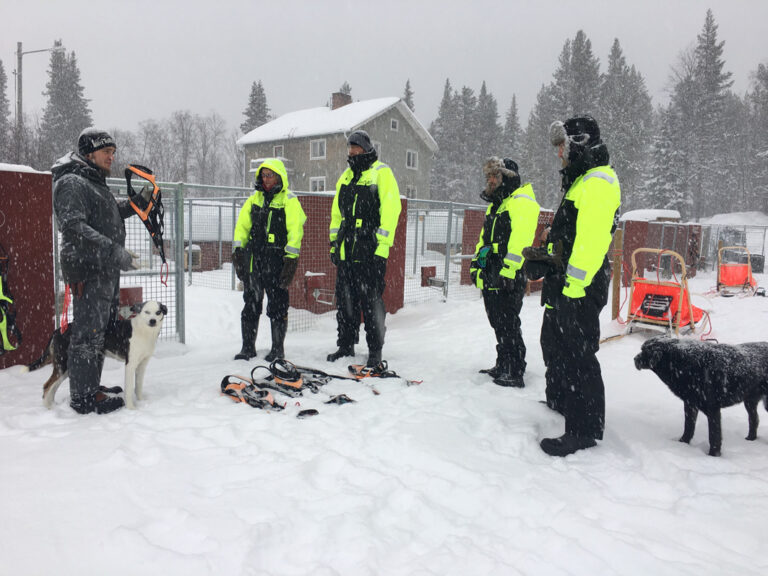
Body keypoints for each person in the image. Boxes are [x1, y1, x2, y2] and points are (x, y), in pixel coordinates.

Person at [527, 115, 621, 457]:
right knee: (559, 347)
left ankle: (583, 428)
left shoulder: (597, 181)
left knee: (579, 355)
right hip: (567, 282)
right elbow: (570, 236)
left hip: (580, 285)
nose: (558, 155)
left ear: (578, 143)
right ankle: (564, 401)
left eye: (562, 147)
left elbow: (592, 241)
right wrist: (547, 253)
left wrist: (573, 286)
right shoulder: (581, 180)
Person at [52, 127, 144, 414]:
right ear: (89, 153)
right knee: (88, 334)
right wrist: (116, 252)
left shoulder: (93, 182)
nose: (111, 158)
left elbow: (106, 215)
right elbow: (75, 228)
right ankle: (82, 397)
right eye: (106, 152)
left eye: (113, 153)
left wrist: (133, 205)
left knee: (100, 332)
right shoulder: (72, 183)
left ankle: (91, 387)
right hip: (88, 271)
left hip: (104, 271)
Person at [327, 130, 402, 367]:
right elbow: (337, 214)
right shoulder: (345, 177)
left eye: (357, 147)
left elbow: (391, 211)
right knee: (346, 301)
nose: (353, 151)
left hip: (370, 251)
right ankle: (346, 345)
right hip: (347, 251)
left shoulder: (382, 173)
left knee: (371, 303)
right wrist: (334, 244)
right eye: (350, 148)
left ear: (367, 148)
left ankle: (375, 351)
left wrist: (382, 250)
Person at [470, 157, 540, 387]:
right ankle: (503, 363)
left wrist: (508, 271)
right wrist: (477, 265)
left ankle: (515, 368)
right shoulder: (497, 205)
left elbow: (520, 241)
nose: (490, 180)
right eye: (489, 176)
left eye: (495, 176)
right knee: (497, 320)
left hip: (509, 274)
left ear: (507, 178)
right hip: (493, 270)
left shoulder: (521, 202)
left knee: (508, 321)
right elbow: (484, 242)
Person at [232, 158, 306, 362]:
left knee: (278, 305)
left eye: (269, 175)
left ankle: (277, 349)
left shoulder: (289, 200)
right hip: (254, 260)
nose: (265, 179)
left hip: (277, 262)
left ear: (279, 176)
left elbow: (295, 230)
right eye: (263, 175)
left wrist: (291, 259)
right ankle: (247, 348)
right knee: (251, 304)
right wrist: (238, 252)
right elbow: (242, 228)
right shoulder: (253, 199)